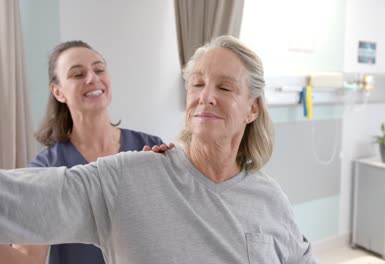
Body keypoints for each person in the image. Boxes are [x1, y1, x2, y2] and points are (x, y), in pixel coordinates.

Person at [0, 35, 317, 264]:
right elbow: (15, 204)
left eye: (225, 87)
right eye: (197, 84)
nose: (205, 96)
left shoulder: (271, 200)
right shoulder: (127, 176)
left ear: (252, 109)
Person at [0, 40, 167, 264]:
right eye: (77, 74)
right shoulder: (46, 167)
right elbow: (29, 258)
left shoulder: (149, 148)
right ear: (58, 92)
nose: (92, 78)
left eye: (99, 69)